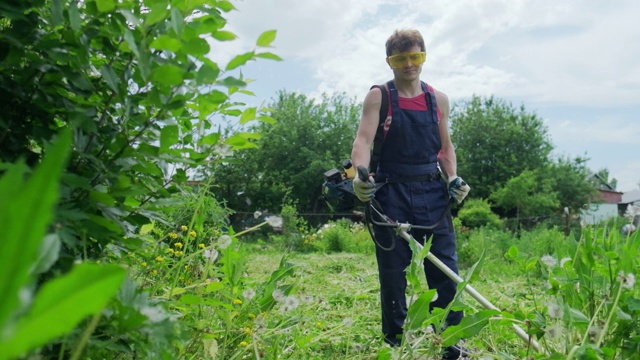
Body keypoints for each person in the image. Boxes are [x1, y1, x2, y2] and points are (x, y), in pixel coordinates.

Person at [351, 29, 471, 359]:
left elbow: (446, 149)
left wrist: (453, 179)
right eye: (400, 58)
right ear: (390, 62)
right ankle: (395, 344)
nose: (409, 64)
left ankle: (452, 343)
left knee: (446, 270)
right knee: (394, 272)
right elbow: (363, 141)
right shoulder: (380, 97)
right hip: (390, 191)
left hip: (432, 193)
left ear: (423, 57)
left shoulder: (438, 99)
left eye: (416, 57)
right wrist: (359, 180)